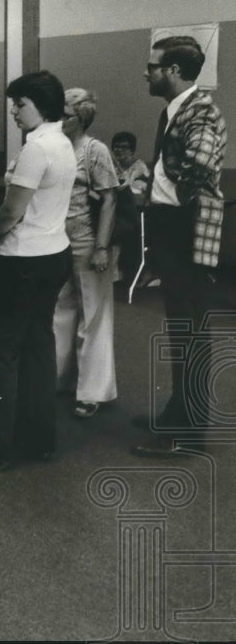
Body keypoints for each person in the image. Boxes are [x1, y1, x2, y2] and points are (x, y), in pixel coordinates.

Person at [0, 71, 75, 470]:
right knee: (39, 346)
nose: (13, 112)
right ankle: (38, 439)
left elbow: (11, 211)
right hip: (55, 255)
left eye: (20, 104)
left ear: (42, 105)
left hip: (24, 260)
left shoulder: (36, 150)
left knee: (0, 350)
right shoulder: (62, 143)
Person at [131, 36, 230, 458]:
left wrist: (163, 198)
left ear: (173, 71)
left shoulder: (200, 112)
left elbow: (199, 167)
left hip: (183, 229)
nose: (146, 72)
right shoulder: (180, 110)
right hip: (176, 228)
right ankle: (177, 416)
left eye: (153, 67)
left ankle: (187, 435)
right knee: (182, 329)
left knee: (188, 332)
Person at [53, 88, 119, 419]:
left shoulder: (95, 151)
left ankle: (92, 392)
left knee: (93, 317)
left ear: (81, 118)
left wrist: (102, 247)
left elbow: (109, 199)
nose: (58, 119)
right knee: (60, 311)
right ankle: (60, 380)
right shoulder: (54, 147)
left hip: (88, 242)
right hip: (55, 243)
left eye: (64, 114)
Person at [111, 131, 153, 285]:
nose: (119, 150)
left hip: (139, 215)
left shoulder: (139, 168)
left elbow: (142, 194)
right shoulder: (112, 167)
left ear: (132, 150)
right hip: (120, 212)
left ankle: (121, 272)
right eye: (115, 147)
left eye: (124, 147)